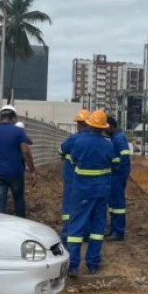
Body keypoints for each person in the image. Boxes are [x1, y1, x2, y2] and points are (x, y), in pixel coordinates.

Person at [65, 110, 115, 276]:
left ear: (90, 124)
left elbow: (72, 160)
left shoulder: (79, 142)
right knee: (97, 228)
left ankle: (73, 265)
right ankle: (93, 264)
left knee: (76, 227)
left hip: (81, 191)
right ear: (103, 128)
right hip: (101, 191)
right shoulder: (108, 144)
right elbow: (114, 163)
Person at [0, 105, 37, 217]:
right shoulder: (19, 132)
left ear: (1, 118)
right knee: (18, 199)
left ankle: (0, 227)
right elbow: (25, 152)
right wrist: (32, 171)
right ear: (13, 118)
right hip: (16, 173)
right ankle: (20, 222)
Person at [58, 109, 90, 243]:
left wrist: (65, 155)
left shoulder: (74, 139)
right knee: (86, 206)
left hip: (72, 177)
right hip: (89, 180)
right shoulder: (97, 140)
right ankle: (86, 232)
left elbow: (61, 149)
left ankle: (67, 232)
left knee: (69, 207)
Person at [106, 116, 132, 242]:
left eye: (106, 127)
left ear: (111, 126)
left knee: (118, 204)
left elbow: (124, 156)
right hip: (114, 175)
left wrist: (117, 168)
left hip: (118, 175)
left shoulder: (119, 138)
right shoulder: (114, 138)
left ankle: (118, 231)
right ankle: (113, 228)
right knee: (113, 204)